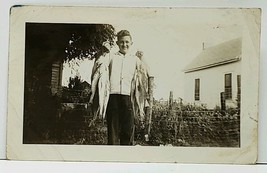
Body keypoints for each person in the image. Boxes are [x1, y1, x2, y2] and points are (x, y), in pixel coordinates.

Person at [90, 30, 149, 145]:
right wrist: (101, 52)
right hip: (113, 97)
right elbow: (98, 66)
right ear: (117, 43)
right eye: (121, 42)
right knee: (113, 132)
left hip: (129, 98)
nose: (124, 44)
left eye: (127, 42)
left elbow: (145, 73)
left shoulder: (135, 59)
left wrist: (143, 58)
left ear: (131, 43)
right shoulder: (111, 57)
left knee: (127, 132)